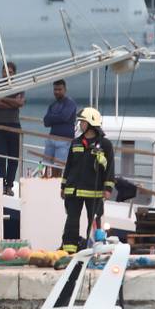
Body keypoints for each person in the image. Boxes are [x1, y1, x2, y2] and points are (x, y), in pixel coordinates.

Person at [60, 107, 115, 254]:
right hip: (74, 190)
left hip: (94, 191)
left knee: (95, 222)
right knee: (71, 222)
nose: (80, 124)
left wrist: (108, 188)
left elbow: (110, 168)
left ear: (90, 123)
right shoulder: (76, 142)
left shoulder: (105, 145)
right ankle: (69, 251)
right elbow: (69, 165)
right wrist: (63, 186)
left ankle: (96, 249)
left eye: (82, 121)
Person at [0, 61, 25, 195]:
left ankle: (9, 185)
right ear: (2, 72)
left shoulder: (19, 87)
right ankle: (2, 183)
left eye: (10, 72)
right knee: (0, 156)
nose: (7, 74)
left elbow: (20, 103)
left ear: (14, 74)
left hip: (14, 125)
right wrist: (12, 102)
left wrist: (3, 98)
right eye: (5, 71)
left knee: (13, 157)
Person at [42, 79, 77, 177]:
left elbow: (64, 116)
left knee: (59, 167)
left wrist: (53, 116)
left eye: (59, 89)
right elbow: (46, 121)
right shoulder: (52, 104)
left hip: (64, 141)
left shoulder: (70, 103)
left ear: (65, 90)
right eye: (55, 89)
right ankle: (46, 183)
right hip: (51, 139)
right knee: (46, 163)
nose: (56, 92)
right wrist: (58, 116)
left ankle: (57, 187)